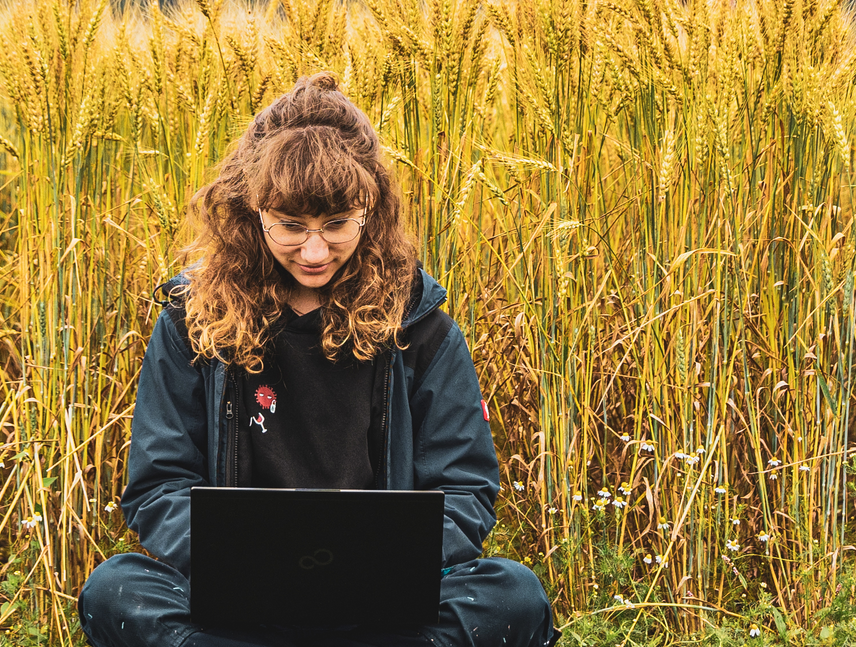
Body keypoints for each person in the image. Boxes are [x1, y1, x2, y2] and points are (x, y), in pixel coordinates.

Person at [77, 73, 561, 647]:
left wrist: (376, 571)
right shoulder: (194, 320)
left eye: (336, 225)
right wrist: (248, 567)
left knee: (514, 593)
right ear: (253, 211)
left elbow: (465, 488)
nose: (314, 251)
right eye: (291, 226)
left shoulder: (420, 325)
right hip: (237, 601)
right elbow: (159, 484)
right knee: (115, 588)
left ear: (369, 211)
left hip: (384, 606)